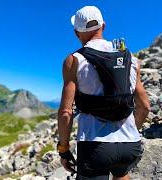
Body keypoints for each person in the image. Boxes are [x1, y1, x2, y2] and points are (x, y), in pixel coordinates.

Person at [57, 6, 150, 180]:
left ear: (77, 32)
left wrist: (63, 149)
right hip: (130, 144)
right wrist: (129, 134)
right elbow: (144, 106)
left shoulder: (74, 60)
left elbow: (65, 112)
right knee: (121, 174)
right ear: (104, 26)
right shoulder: (131, 59)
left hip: (95, 146)